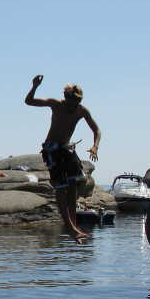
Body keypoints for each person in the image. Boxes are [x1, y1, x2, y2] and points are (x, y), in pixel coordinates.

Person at [25, 75, 101, 243]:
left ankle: (74, 226)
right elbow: (28, 101)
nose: (73, 106)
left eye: (76, 102)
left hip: (67, 149)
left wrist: (95, 146)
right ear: (65, 99)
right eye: (71, 103)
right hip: (52, 149)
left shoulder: (81, 110)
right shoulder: (56, 104)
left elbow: (96, 129)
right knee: (61, 186)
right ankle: (70, 228)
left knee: (74, 184)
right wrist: (35, 86)